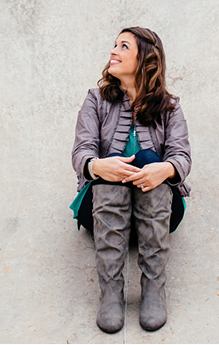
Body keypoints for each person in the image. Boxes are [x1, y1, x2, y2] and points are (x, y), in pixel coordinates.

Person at [71, 27, 191, 333]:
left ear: (145, 60)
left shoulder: (170, 107)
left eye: (123, 46)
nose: (113, 51)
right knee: (112, 169)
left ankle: (153, 289)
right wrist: (99, 167)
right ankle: (111, 292)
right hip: (100, 215)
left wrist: (163, 170)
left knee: (151, 160)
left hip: (160, 216)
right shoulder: (95, 101)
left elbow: (182, 157)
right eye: (114, 45)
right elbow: (81, 153)